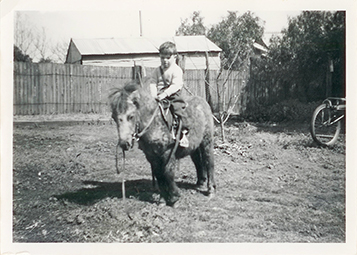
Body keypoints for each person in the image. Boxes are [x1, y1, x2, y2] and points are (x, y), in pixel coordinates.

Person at [149, 41, 189, 147]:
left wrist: (165, 94)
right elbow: (153, 82)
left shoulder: (176, 70)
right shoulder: (157, 71)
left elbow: (176, 85)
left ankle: (183, 134)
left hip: (173, 95)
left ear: (175, 57)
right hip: (159, 95)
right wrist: (154, 95)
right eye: (162, 58)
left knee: (178, 110)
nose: (165, 60)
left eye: (168, 58)